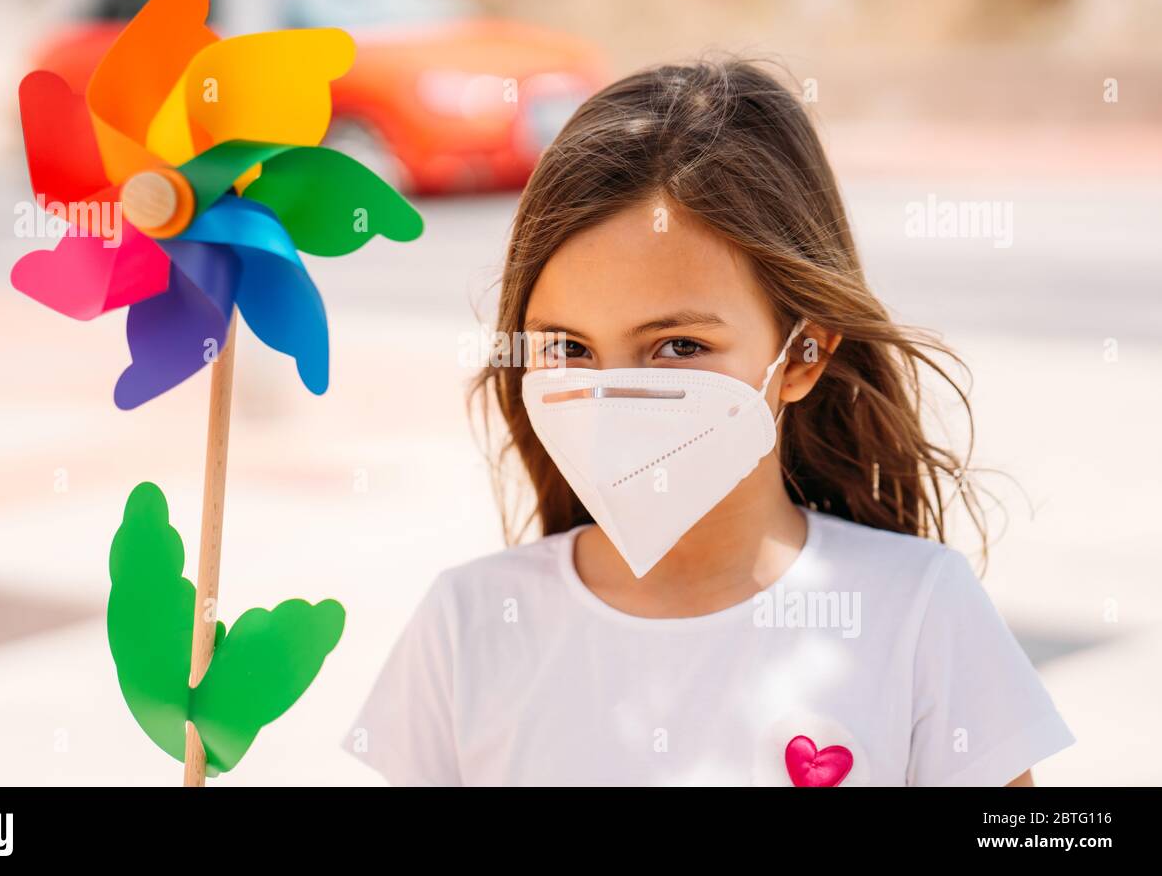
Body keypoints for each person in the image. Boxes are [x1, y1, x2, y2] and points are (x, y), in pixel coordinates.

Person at [341, 58, 1075, 786]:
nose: (610, 396)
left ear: (803, 354)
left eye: (678, 347)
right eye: (568, 348)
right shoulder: (467, 624)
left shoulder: (921, 614)